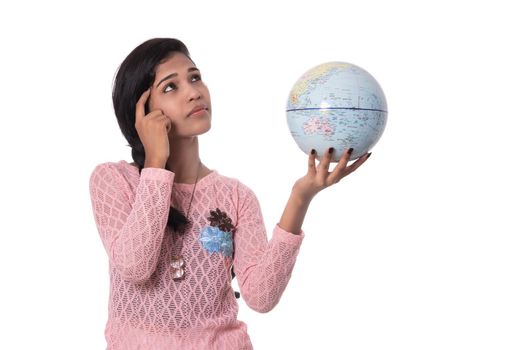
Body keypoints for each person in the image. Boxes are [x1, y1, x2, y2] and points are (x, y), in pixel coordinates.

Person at [89, 38, 371, 350]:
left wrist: (301, 196)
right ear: (141, 112)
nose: (194, 91)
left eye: (195, 78)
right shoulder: (114, 180)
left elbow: (261, 297)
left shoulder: (236, 196)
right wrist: (156, 162)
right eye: (171, 87)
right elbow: (134, 266)